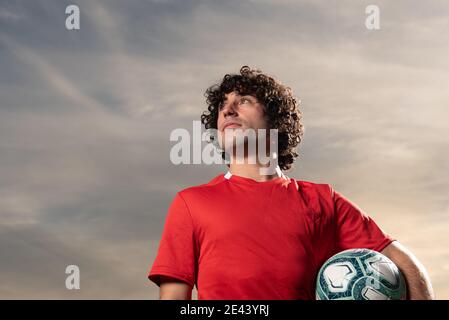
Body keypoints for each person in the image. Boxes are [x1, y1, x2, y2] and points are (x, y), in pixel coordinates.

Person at [148, 66, 435, 300]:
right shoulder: (191, 203)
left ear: (276, 120)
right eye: (222, 106)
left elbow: (404, 264)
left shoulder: (324, 201)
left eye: (244, 101)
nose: (228, 110)